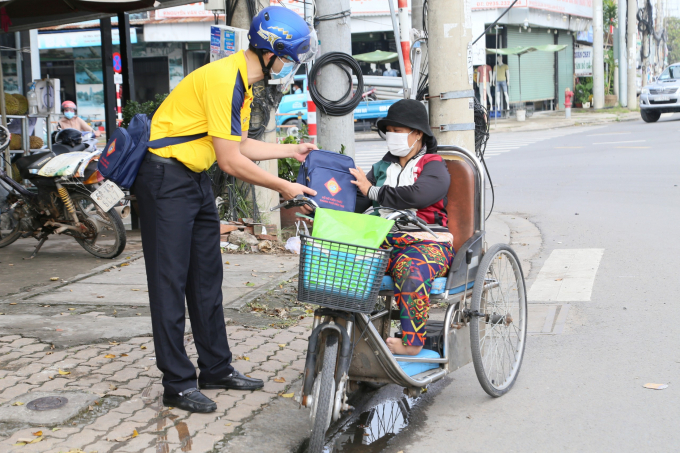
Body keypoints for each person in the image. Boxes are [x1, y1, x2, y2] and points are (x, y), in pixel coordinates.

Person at [132, 6, 318, 413]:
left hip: (193, 179)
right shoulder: (224, 80)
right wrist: (286, 186)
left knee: (205, 278)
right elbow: (232, 163)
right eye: (289, 58)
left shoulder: (242, 82)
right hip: (165, 180)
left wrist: (292, 148)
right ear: (271, 53)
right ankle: (177, 384)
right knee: (169, 284)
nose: (290, 66)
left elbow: (237, 145)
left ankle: (215, 367)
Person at [350, 99, 453, 356]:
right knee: (344, 263)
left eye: (398, 131)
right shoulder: (382, 168)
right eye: (390, 132)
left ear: (417, 134)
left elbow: (418, 195)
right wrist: (317, 207)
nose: (392, 137)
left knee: (412, 270)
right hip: (383, 241)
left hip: (426, 242)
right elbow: (356, 202)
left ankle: (413, 342)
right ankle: (348, 332)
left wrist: (374, 191)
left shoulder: (433, 165)